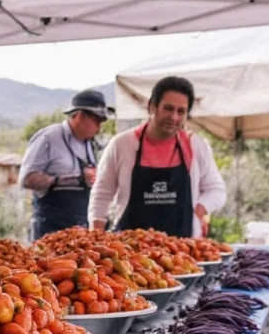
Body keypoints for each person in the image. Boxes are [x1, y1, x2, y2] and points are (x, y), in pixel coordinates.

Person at [90, 76, 226, 237]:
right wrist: (95, 235)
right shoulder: (122, 145)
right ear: (152, 107)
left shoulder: (196, 146)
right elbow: (102, 192)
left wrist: (199, 209)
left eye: (181, 111)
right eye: (168, 108)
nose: (174, 117)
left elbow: (216, 190)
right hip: (129, 248)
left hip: (182, 247)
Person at [19, 88, 112, 241]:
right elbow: (27, 179)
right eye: (97, 121)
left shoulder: (89, 143)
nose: (99, 127)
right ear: (80, 116)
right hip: (50, 231)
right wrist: (71, 179)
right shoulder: (48, 138)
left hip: (81, 231)